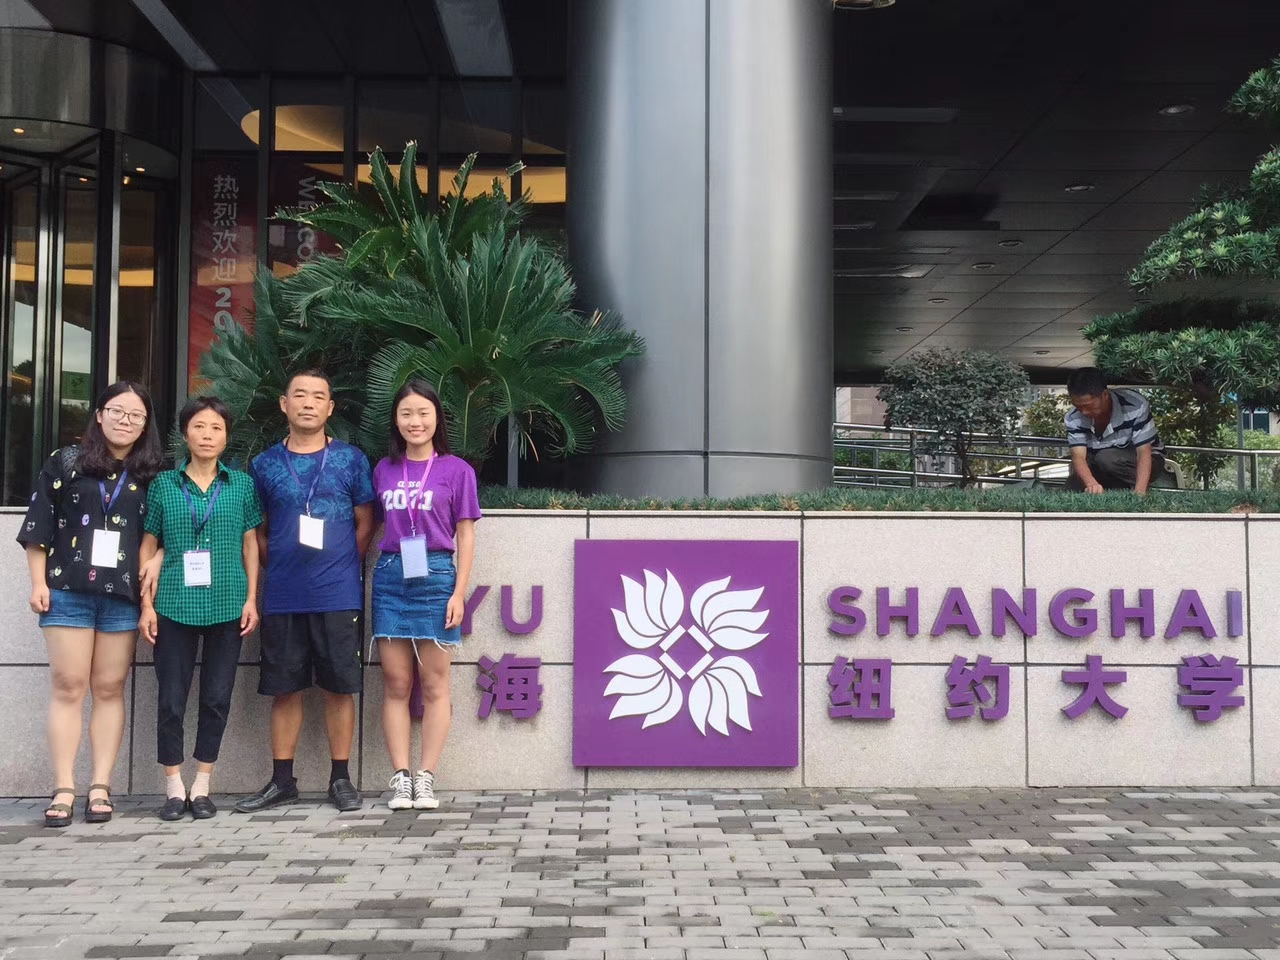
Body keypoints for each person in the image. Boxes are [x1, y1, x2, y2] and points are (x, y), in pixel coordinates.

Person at [17, 381, 164, 827]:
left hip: (123, 597)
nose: (126, 420)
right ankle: (64, 786)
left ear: (145, 425)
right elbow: (39, 526)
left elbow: (169, 529)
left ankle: (100, 785)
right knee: (68, 686)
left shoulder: (154, 473)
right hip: (67, 591)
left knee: (108, 689)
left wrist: (158, 556)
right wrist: (38, 583)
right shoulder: (66, 461)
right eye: (117, 411)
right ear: (99, 414)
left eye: (136, 415)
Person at [234, 370, 375, 813]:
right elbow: (255, 529)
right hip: (283, 594)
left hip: (338, 594)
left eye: (319, 397)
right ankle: (282, 781)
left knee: (339, 688)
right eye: (300, 395)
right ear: (284, 403)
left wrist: (340, 565)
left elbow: (366, 521)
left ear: (330, 408)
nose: (309, 403)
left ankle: (340, 779)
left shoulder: (352, 460)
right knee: (284, 688)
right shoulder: (264, 465)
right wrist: (279, 568)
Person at [138, 396, 263, 821]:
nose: (208, 435)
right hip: (172, 604)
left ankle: (203, 784)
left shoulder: (242, 485)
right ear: (185, 434)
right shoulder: (163, 486)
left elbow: (250, 544)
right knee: (171, 699)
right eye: (199, 427)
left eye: (216, 428)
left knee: (216, 698)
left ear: (226, 437)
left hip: (228, 604)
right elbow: (149, 544)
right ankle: (174, 787)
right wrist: (146, 605)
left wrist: (251, 598)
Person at [372, 380, 479, 811]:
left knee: (435, 684)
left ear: (437, 418)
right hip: (390, 576)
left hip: (436, 575)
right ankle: (401, 777)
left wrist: (459, 591)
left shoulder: (457, 470)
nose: (415, 422)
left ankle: (427, 777)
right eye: (406, 414)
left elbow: (466, 536)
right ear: (396, 421)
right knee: (396, 683)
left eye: (423, 413)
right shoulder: (383, 469)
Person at [1064, 367, 1166, 494]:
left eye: (1088, 406)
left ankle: (1129, 489)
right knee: (1073, 486)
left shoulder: (1136, 405)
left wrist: (1140, 492)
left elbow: (1144, 452)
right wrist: (1091, 484)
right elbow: (1079, 456)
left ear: (1105, 395)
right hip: (1099, 463)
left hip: (1143, 459)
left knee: (1106, 458)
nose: (1084, 412)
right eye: (1078, 406)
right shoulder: (1073, 417)